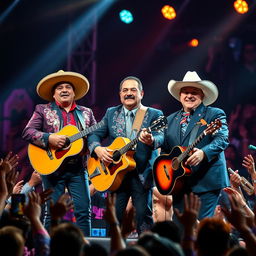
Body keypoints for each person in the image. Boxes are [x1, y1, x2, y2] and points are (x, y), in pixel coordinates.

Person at [22, 70, 96, 236]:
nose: (64, 90)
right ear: (53, 94)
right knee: (52, 213)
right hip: (52, 169)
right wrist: (50, 138)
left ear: (74, 92)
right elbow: (27, 132)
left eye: (68, 87)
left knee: (84, 212)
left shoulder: (86, 113)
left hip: (78, 169)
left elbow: (94, 137)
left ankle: (84, 250)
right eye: (60, 87)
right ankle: (49, 249)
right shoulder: (42, 109)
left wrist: (96, 146)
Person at [87, 76, 164, 234]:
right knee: (113, 219)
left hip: (141, 175)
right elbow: (93, 135)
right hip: (115, 175)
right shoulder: (111, 113)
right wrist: (98, 150)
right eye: (125, 90)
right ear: (120, 94)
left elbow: (161, 136)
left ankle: (146, 249)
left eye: (133, 90)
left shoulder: (154, 114)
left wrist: (151, 140)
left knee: (143, 216)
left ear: (141, 93)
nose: (129, 93)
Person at [161, 71, 230, 221]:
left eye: (194, 92)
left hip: (206, 181)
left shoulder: (214, 114)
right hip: (179, 183)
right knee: (180, 230)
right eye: (185, 92)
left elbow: (222, 139)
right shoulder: (170, 120)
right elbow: (166, 150)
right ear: (180, 95)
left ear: (203, 95)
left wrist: (203, 153)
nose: (189, 95)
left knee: (200, 230)